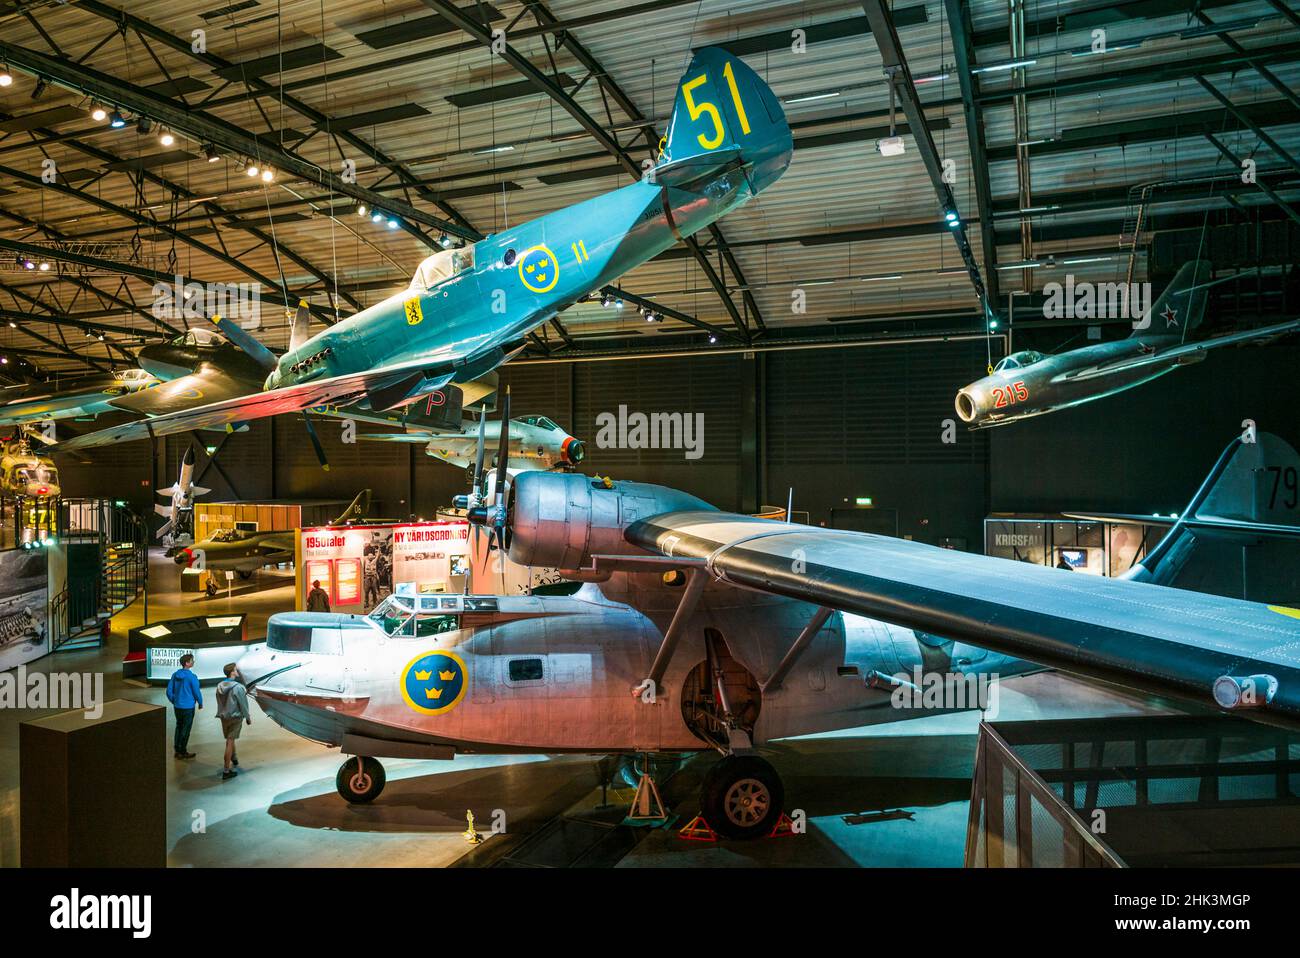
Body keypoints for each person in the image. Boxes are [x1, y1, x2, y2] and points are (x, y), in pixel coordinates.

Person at [214, 663, 251, 781]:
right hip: (235, 717)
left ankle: (234, 758)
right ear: (232, 672)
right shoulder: (238, 687)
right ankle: (226, 770)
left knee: (230, 738)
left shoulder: (219, 686)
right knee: (230, 742)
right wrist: (248, 717)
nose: (237, 672)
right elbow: (243, 704)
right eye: (236, 670)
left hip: (224, 717)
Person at [165, 653, 202, 759]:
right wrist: (200, 702)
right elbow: (196, 692)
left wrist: (175, 700)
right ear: (187, 663)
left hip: (177, 706)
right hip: (188, 707)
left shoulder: (175, 675)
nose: (193, 662)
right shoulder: (192, 677)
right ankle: (183, 751)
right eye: (192, 660)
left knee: (179, 726)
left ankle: (177, 750)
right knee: (186, 729)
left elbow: (168, 691)